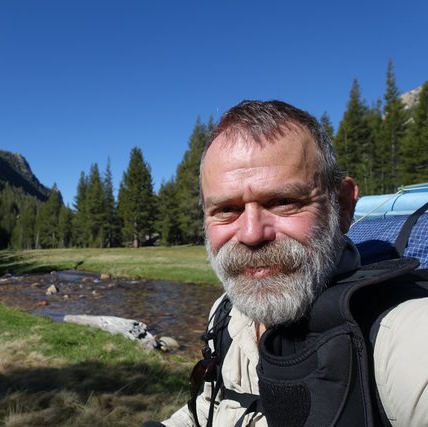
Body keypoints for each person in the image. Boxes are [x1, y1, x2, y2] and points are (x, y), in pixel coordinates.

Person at [158, 100, 428, 427]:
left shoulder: (398, 338)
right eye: (226, 210)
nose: (252, 233)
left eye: (284, 202)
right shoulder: (227, 312)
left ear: (342, 206)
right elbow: (210, 406)